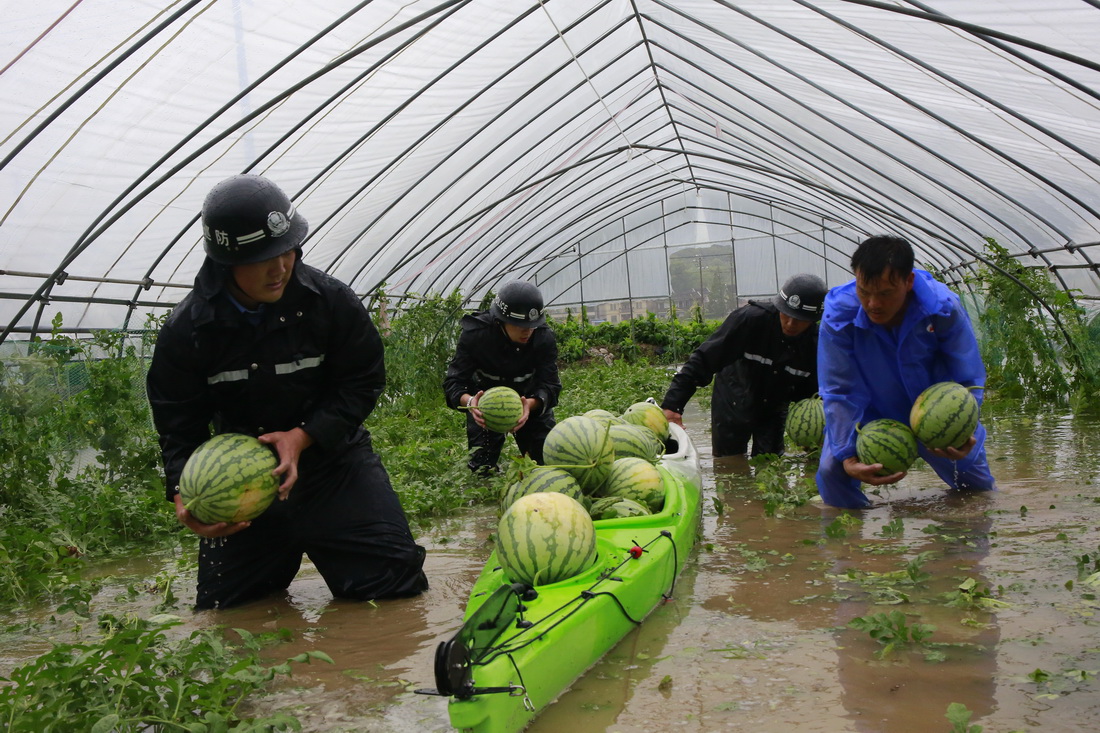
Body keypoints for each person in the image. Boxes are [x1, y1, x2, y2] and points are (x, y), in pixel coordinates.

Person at [146, 174, 428, 610]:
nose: (280, 266)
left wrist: (304, 436)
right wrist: (187, 494)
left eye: (287, 249)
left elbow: (362, 380)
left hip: (335, 468)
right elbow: (177, 423)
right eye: (263, 257)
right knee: (229, 616)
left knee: (396, 594)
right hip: (247, 490)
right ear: (226, 261)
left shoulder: (330, 302)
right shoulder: (189, 331)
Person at [816, 234, 996, 508]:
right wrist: (845, 452)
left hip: (932, 412)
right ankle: (852, 545)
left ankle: (965, 547)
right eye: (864, 291)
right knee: (832, 473)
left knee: (977, 489)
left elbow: (967, 376)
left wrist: (962, 429)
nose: (873, 304)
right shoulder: (839, 317)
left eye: (885, 293)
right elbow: (840, 388)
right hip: (870, 412)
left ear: (908, 282)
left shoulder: (942, 309)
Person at [660, 273, 828, 457]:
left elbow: (813, 394)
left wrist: (816, 434)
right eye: (786, 314)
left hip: (773, 409)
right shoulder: (750, 320)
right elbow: (704, 360)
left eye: (799, 319)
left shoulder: (816, 345)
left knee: (769, 464)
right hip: (732, 400)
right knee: (729, 465)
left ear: (813, 320)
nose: (790, 323)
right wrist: (673, 405)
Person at [443, 281, 561, 474]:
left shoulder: (543, 338)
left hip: (530, 402)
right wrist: (472, 402)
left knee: (545, 466)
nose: (528, 331)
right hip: (485, 406)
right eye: (520, 325)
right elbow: (453, 383)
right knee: (482, 469)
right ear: (500, 320)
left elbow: (550, 385)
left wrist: (529, 406)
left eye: (532, 325)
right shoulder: (475, 336)